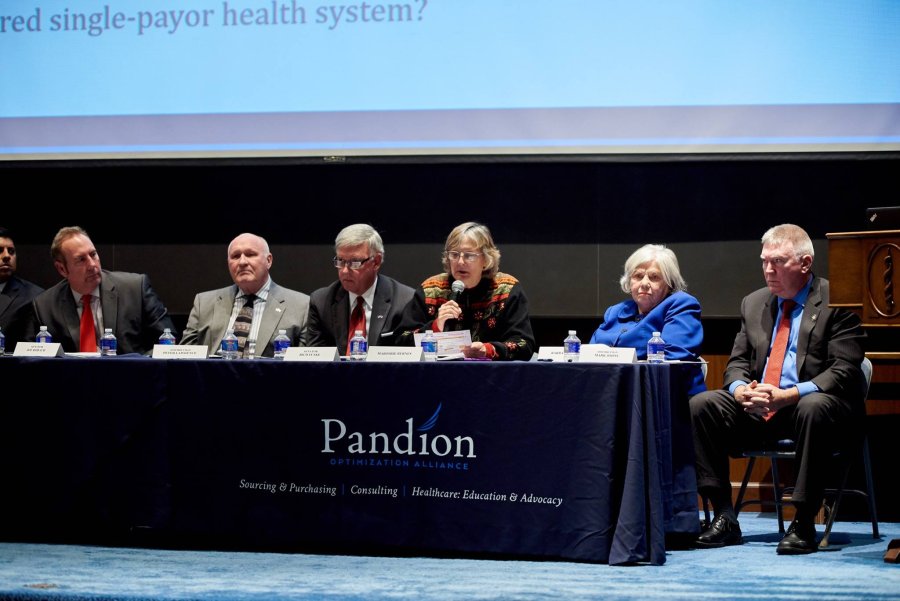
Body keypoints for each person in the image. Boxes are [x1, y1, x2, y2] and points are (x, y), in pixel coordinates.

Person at [690, 224, 866, 555]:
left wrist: (791, 394)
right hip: (762, 409)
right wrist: (742, 390)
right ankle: (724, 516)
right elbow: (736, 363)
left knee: (814, 406)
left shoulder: (840, 300)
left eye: (779, 261)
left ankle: (803, 522)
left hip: (815, 409)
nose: (769, 270)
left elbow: (844, 369)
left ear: (805, 263)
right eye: (764, 261)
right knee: (703, 404)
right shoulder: (754, 303)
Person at [26, 226, 177, 354]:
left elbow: (168, 344)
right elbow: (34, 359)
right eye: (81, 260)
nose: (92, 265)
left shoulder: (135, 288)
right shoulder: (45, 306)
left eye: (93, 254)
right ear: (62, 269)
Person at [395, 222, 535, 360]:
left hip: (491, 377)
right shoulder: (431, 289)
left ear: (486, 260)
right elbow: (400, 341)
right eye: (454, 255)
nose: (460, 262)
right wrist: (435, 327)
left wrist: (488, 350)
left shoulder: (507, 289)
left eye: (469, 255)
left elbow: (524, 344)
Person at [589, 243, 705, 395]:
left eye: (654, 277)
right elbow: (588, 357)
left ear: (670, 283)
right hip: (611, 393)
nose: (644, 283)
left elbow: (673, 362)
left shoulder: (681, 304)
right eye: (638, 276)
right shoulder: (615, 311)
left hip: (663, 397)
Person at [181, 232, 309, 357]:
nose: (242, 262)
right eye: (235, 256)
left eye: (250, 254)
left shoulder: (301, 306)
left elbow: (306, 365)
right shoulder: (203, 303)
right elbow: (183, 357)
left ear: (268, 260)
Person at [307, 224, 415, 356]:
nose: (345, 270)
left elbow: (408, 360)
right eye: (340, 261)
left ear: (376, 261)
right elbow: (315, 361)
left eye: (354, 262)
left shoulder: (405, 301)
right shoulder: (321, 302)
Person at [0, 227, 45, 351]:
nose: (6, 256)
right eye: (0, 251)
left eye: (11, 251)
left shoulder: (33, 297)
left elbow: (29, 349)